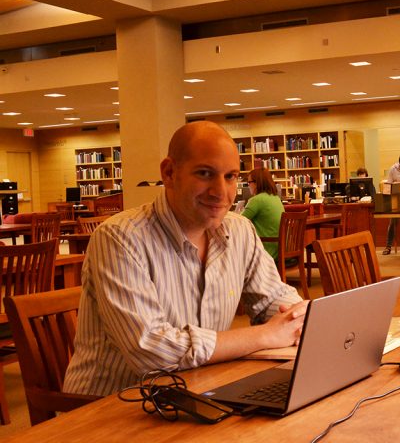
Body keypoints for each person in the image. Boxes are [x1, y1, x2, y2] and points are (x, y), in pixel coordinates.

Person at [63, 121, 306, 397]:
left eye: (230, 177)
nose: (220, 192)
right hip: (112, 409)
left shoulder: (240, 231)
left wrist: (302, 316)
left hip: (200, 390)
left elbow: (275, 300)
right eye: (205, 174)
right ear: (169, 173)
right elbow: (151, 351)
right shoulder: (119, 238)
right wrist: (263, 336)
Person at [241, 167, 285, 261]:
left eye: (249, 182)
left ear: (257, 183)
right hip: (281, 249)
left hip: (267, 251)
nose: (248, 185)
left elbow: (239, 222)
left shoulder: (257, 200)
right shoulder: (275, 198)